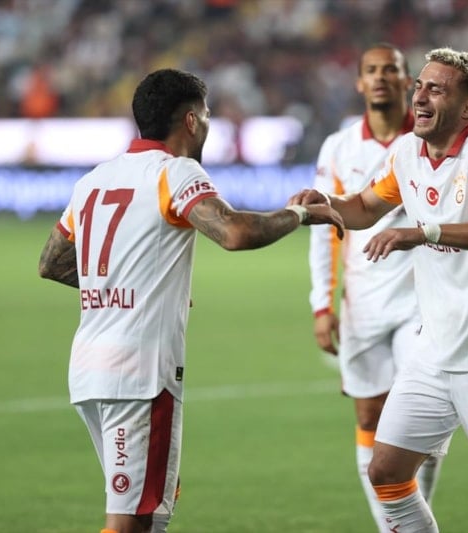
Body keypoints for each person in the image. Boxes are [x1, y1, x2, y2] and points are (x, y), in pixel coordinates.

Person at [38, 68, 344, 533]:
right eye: (206, 115)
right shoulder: (174, 172)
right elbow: (235, 232)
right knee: (129, 522)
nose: (207, 125)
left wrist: (129, 286)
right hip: (138, 375)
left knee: (151, 509)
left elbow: (52, 262)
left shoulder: (94, 180)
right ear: (190, 121)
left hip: (88, 369)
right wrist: (299, 214)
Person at [292, 47, 468, 532]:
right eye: (420, 87)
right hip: (432, 351)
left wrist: (425, 232)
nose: (420, 96)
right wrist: (325, 204)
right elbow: (365, 207)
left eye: (436, 89)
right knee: (386, 473)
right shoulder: (407, 152)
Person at [308, 43, 445, 531]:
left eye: (391, 69)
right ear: (360, 83)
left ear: (408, 81)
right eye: (372, 70)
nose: (381, 77)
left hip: (421, 303)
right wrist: (322, 304)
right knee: (369, 416)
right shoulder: (339, 147)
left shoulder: (430, 139)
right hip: (363, 303)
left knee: (419, 418)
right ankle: (394, 526)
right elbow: (324, 230)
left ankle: (407, 523)